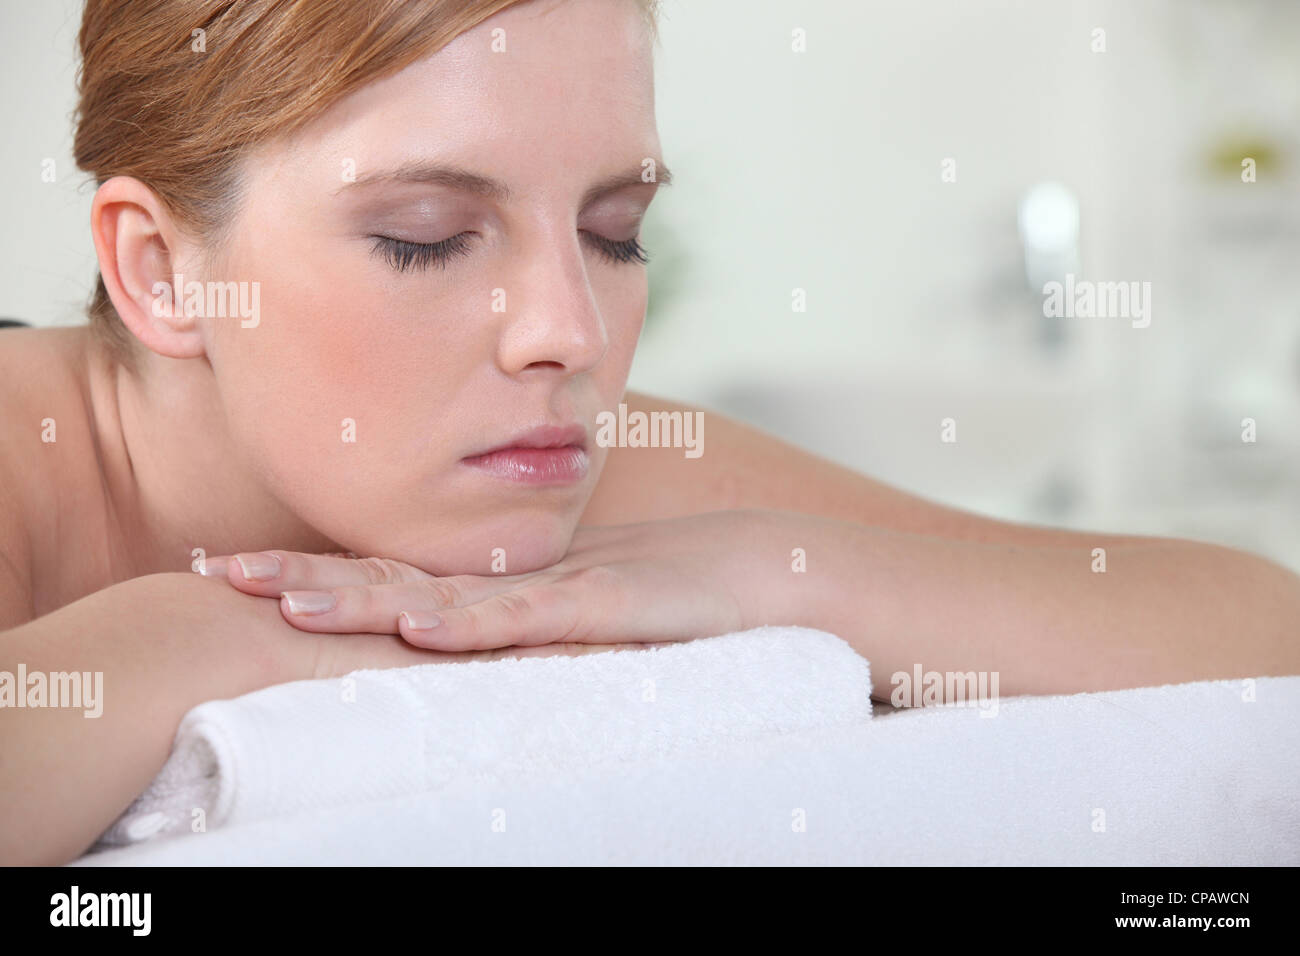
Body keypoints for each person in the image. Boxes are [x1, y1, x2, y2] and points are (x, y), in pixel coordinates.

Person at [2, 0, 1297, 865]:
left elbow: (1258, 630)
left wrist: (773, 572)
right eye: (427, 239)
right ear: (162, 273)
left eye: (614, 232)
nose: (567, 331)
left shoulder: (565, 468)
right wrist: (212, 638)